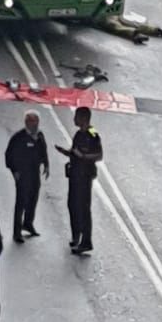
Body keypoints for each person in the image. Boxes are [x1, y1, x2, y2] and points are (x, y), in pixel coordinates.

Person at [56, 105, 103, 255]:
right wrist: (66, 152)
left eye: (76, 116)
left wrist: (83, 157)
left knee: (83, 208)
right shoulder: (77, 134)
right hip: (75, 174)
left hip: (85, 176)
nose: (74, 119)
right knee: (72, 205)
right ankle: (76, 235)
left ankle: (86, 241)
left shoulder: (93, 134)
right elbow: (74, 151)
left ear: (84, 118)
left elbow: (99, 155)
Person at [5, 111, 49, 244]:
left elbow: (43, 150)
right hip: (23, 174)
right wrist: (15, 171)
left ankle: (28, 223)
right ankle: (16, 232)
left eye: (36, 122)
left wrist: (46, 165)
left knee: (33, 199)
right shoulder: (19, 137)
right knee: (21, 202)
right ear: (26, 123)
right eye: (31, 122)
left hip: (35, 173)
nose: (34, 125)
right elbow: (9, 155)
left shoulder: (40, 136)